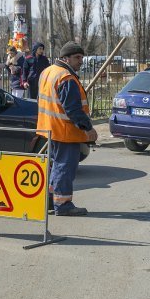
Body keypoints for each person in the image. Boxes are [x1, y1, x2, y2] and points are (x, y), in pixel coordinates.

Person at [37, 41, 97, 216]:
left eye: (82, 57)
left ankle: (51, 201)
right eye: (77, 57)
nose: (81, 61)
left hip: (49, 128)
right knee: (64, 167)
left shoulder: (47, 72)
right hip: (65, 131)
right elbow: (73, 110)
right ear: (65, 58)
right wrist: (88, 129)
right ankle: (63, 205)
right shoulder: (66, 78)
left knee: (56, 166)